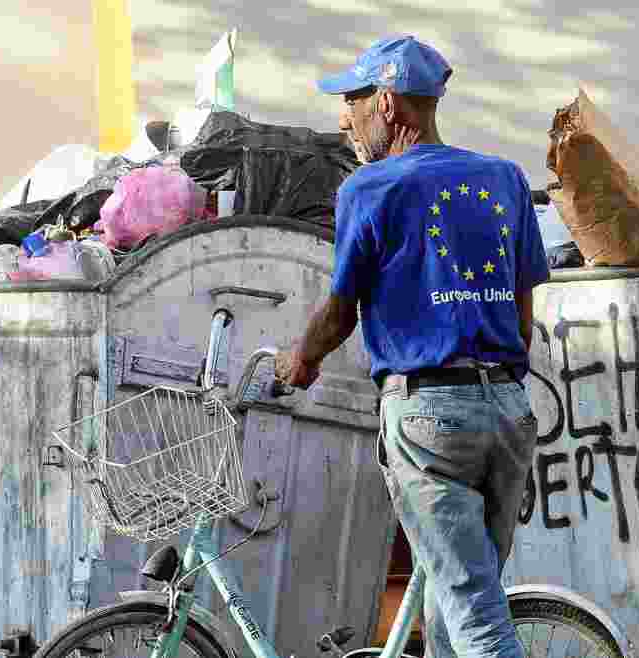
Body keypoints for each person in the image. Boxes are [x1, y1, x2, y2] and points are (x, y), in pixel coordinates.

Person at [274, 36, 550, 658]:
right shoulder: (506, 179)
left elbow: (342, 311)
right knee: (455, 604)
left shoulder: (369, 189)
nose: (345, 116)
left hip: (429, 420)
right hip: (507, 411)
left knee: (477, 618)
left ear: (390, 103)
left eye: (354, 99)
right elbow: (525, 315)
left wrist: (302, 360)